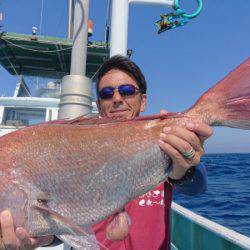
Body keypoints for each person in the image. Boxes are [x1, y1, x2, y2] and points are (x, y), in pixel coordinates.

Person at [0, 55, 212, 250]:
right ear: (99, 105)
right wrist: (42, 238)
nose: (117, 98)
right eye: (107, 93)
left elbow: (197, 187)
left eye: (127, 91)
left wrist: (183, 169)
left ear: (143, 100)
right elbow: (63, 217)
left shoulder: (164, 141)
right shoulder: (77, 151)